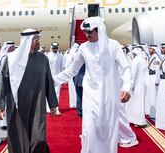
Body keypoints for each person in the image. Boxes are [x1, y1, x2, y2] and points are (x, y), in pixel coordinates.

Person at [53, 17, 132, 153]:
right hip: (90, 96)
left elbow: (126, 67)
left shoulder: (113, 45)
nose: (87, 35)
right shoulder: (84, 48)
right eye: (85, 32)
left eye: (90, 32)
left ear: (99, 30)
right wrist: (53, 80)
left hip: (109, 96)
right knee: (89, 130)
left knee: (108, 132)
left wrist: (126, 88)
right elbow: (72, 70)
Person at [0, 29, 58, 153]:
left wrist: (53, 104)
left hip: (37, 104)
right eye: (35, 39)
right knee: (18, 138)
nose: (38, 42)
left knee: (39, 138)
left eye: (38, 39)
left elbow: (48, 81)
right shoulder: (11, 59)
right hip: (17, 105)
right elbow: (3, 83)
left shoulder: (43, 59)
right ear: (26, 41)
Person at [125, 46, 147, 126]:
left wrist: (131, 86)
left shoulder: (136, 60)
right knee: (139, 103)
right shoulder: (142, 60)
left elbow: (133, 75)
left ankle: (139, 121)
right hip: (141, 84)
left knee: (136, 103)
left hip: (137, 85)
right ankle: (137, 120)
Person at [0, 40, 15, 130]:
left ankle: (5, 122)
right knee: (6, 103)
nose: (14, 48)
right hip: (6, 82)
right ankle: (4, 123)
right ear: (8, 48)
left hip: (8, 82)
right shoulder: (5, 57)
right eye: (12, 47)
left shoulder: (7, 56)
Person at [47, 42, 63, 115]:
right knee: (48, 93)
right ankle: (48, 108)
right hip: (49, 77)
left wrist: (62, 78)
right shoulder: (48, 56)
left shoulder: (60, 56)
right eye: (53, 48)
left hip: (58, 77)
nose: (55, 49)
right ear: (51, 48)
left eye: (56, 48)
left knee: (57, 93)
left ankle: (56, 109)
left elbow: (61, 67)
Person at [146, 44, 161, 118]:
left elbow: (158, 69)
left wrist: (157, 80)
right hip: (150, 77)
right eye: (149, 49)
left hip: (154, 77)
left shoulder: (156, 58)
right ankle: (152, 112)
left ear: (154, 50)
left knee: (154, 95)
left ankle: (155, 113)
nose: (149, 50)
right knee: (151, 95)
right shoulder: (152, 57)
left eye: (151, 49)